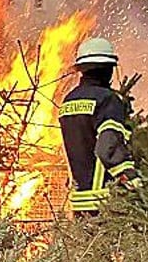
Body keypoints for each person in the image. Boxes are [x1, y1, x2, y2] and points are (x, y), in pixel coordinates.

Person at [58, 37, 141, 215]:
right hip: (104, 201)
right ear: (108, 69)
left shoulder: (68, 101)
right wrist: (131, 178)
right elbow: (107, 148)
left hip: (79, 201)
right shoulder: (108, 100)